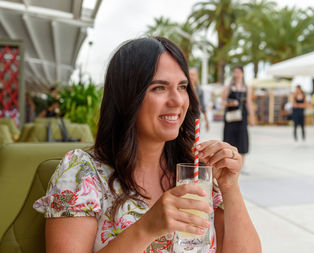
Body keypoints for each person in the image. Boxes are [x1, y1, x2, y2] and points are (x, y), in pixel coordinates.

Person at [33, 37, 261, 253]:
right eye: (159, 88)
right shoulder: (83, 172)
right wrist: (147, 227)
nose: (177, 101)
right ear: (127, 97)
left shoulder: (196, 172)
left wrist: (230, 187)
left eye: (182, 87)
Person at [222, 66, 255, 174]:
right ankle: (229, 164)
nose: (236, 74)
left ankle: (242, 164)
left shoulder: (247, 87)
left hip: (242, 116)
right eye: (235, 72)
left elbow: (248, 103)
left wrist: (252, 116)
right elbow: (223, 102)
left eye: (238, 72)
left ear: (242, 73)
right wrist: (231, 103)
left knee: (242, 139)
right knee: (229, 138)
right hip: (231, 116)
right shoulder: (229, 86)